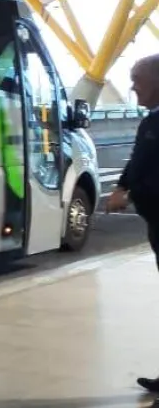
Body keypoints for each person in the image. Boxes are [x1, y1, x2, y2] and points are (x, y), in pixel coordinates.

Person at [107, 54, 159, 400]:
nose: (132, 87)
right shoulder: (151, 121)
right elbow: (139, 159)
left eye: (137, 79)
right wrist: (124, 185)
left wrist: (130, 191)